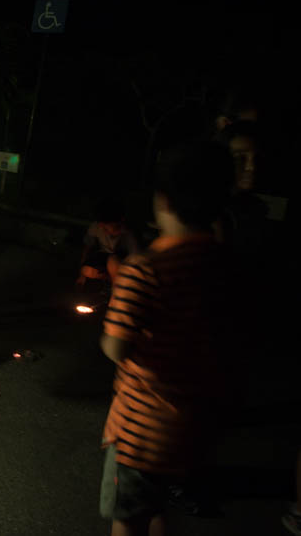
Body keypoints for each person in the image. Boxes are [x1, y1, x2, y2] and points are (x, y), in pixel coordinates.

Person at [98, 140, 236, 536]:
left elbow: (116, 347)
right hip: (195, 428)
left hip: (141, 432)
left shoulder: (145, 269)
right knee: (158, 508)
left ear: (161, 200)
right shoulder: (225, 265)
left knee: (128, 519)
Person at [76, 197, 139, 288]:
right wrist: (81, 276)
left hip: (122, 261)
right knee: (87, 270)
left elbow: (136, 257)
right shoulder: (97, 227)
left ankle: (116, 289)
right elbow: (87, 248)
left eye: (107, 226)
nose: (103, 228)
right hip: (105, 258)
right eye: (102, 225)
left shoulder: (128, 233)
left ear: (120, 221)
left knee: (113, 261)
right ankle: (109, 280)